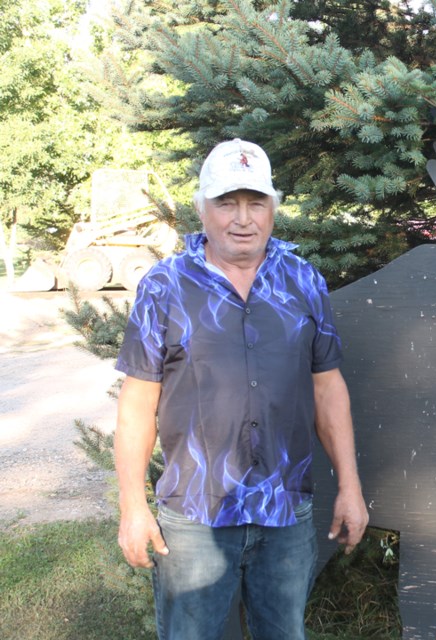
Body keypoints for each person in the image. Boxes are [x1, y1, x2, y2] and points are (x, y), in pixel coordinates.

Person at [113, 138, 369, 640]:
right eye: (227, 202)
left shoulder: (304, 282)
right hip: (193, 516)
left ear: (273, 208)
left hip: (287, 511)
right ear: (202, 209)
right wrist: (133, 507)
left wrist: (350, 486)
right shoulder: (165, 287)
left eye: (256, 202)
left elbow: (327, 388)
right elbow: (138, 403)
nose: (242, 218)